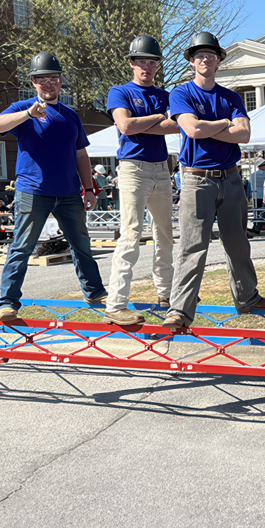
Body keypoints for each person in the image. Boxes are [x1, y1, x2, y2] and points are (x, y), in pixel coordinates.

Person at [163, 32, 265, 330]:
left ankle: (247, 297)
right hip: (196, 179)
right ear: (191, 61)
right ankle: (180, 311)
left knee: (238, 244)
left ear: (219, 60)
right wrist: (226, 123)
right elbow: (192, 129)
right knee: (192, 246)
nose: (205, 60)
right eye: (200, 55)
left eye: (211, 55)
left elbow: (245, 135)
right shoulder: (181, 94)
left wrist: (212, 126)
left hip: (232, 177)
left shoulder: (232, 97)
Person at [0, 51, 107, 321]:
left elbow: (81, 155)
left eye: (53, 78)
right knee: (21, 247)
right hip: (33, 192)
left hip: (68, 193)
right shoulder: (23, 108)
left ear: (61, 81)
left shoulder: (70, 115)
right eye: (41, 79)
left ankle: (95, 292)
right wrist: (27, 115)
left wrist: (89, 189)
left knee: (82, 245)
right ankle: (7, 303)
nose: (48, 84)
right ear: (33, 82)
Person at [100, 35, 180, 325]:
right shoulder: (119, 91)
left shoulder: (165, 94)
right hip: (132, 168)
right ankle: (116, 304)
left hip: (161, 167)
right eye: (142, 61)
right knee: (131, 233)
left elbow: (175, 127)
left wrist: (145, 122)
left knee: (165, 234)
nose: (147, 66)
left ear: (157, 65)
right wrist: (158, 118)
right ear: (132, 63)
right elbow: (125, 125)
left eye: (152, 61)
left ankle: (167, 293)